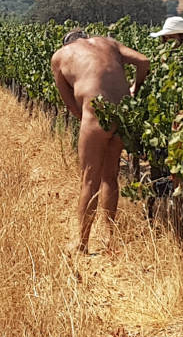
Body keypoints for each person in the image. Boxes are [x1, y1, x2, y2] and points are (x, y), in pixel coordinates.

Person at [49, 29, 150, 253]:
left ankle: (82, 242)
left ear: (67, 44)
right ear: (86, 38)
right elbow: (144, 62)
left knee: (89, 179)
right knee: (110, 176)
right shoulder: (109, 43)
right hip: (122, 112)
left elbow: (70, 104)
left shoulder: (61, 56)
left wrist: (88, 119)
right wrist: (135, 88)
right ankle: (110, 238)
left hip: (96, 112)